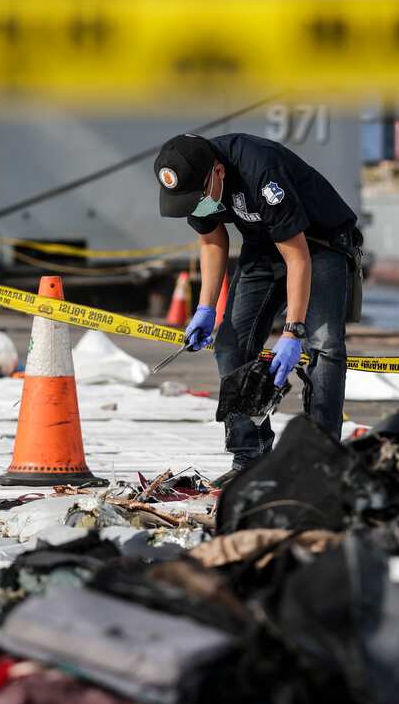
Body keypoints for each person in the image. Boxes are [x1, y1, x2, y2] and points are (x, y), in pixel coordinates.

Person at [153, 132, 359, 472]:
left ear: (218, 172)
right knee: (230, 346)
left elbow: (298, 259)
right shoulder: (197, 183)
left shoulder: (261, 170)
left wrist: (292, 333)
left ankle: (322, 460)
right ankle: (251, 454)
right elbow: (211, 241)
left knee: (324, 347)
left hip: (319, 244)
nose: (197, 205)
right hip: (263, 247)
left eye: (198, 197)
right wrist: (205, 308)